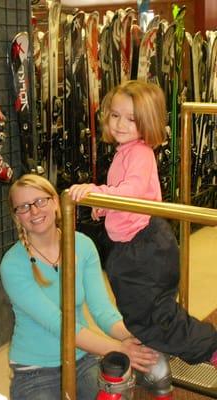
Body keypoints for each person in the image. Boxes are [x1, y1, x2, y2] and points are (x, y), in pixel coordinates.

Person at [69, 80, 217, 367]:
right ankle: (179, 351)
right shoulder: (126, 149)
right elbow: (124, 192)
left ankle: (210, 349)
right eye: (115, 115)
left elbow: (132, 191)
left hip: (146, 248)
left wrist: (95, 191)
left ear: (147, 122)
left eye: (132, 119)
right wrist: (104, 207)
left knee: (155, 318)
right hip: (136, 245)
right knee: (141, 315)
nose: (120, 124)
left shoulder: (139, 153)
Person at [0, 173, 158, 400]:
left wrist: (134, 338)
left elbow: (102, 310)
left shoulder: (83, 245)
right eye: (23, 207)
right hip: (33, 371)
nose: (34, 211)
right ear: (16, 217)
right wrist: (119, 349)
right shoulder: (12, 264)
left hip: (82, 359)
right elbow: (61, 324)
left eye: (40, 201)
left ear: (55, 202)